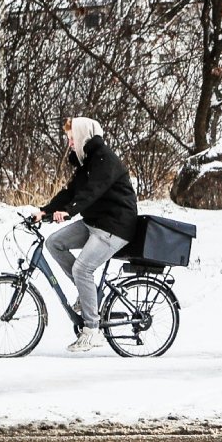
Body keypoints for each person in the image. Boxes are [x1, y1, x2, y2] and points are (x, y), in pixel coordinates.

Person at [34, 116, 139, 352]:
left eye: (72, 138)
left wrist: (69, 212)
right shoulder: (87, 161)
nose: (70, 143)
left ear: (82, 136)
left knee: (83, 269)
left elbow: (92, 192)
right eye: (69, 139)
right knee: (55, 243)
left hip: (115, 226)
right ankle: (87, 292)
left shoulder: (105, 160)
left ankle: (92, 330)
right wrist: (45, 211)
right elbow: (71, 192)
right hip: (96, 222)